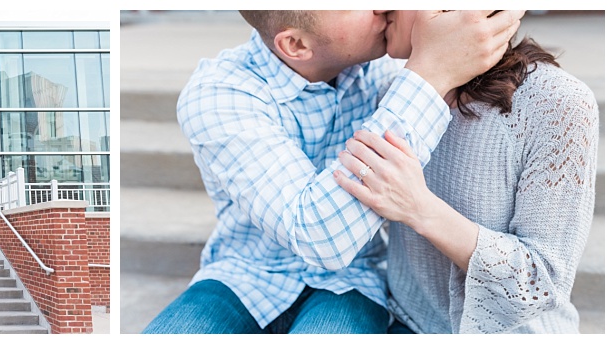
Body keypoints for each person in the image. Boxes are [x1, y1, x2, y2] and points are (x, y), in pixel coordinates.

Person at [142, 10, 524, 334]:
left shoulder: (384, 66)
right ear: (296, 46)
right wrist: (430, 75)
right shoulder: (219, 93)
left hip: (354, 282)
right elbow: (319, 236)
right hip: (245, 274)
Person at [334, 10, 598, 333]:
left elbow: (539, 282)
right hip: (402, 323)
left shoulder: (558, 104)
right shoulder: (394, 95)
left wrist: (420, 209)